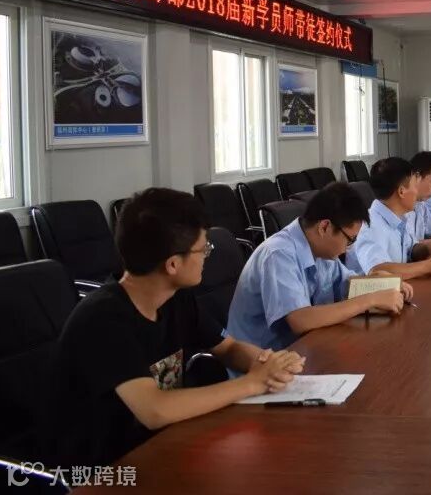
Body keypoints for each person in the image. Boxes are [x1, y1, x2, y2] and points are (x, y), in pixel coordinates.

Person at [44, 188, 306, 467]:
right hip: (102, 470)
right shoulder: (103, 320)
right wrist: (252, 383)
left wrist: (268, 363)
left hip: (165, 444)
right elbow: (154, 409)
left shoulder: (175, 298)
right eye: (203, 249)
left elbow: (228, 348)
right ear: (172, 264)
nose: (207, 256)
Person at [227, 182, 409, 352]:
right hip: (262, 361)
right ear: (324, 227)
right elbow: (301, 320)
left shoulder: (322, 251)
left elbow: (347, 285)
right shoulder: (278, 254)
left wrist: (382, 284)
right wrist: (371, 300)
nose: (349, 248)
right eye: (349, 239)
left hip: (304, 348)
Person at [347, 157, 431, 280]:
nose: (417, 192)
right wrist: (428, 266)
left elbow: (410, 249)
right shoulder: (372, 225)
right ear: (401, 191)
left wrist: (429, 248)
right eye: (415, 186)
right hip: (373, 292)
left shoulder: (399, 217)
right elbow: (378, 271)